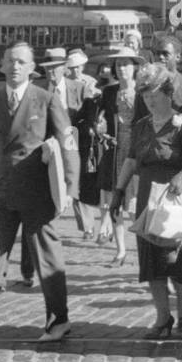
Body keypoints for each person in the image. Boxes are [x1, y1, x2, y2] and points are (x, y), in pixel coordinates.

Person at [0, 42, 79, 351]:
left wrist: (70, 189)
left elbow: (67, 143)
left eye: (21, 62)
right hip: (0, 190)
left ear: (32, 69)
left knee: (47, 258)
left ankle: (58, 320)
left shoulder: (46, 100)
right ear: (3, 66)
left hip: (37, 189)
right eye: (10, 62)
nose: (15, 67)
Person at [108, 64, 182, 339]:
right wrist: (118, 191)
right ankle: (163, 318)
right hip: (147, 199)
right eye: (145, 96)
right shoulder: (140, 127)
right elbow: (130, 160)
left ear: (167, 93)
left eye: (154, 95)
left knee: (174, 261)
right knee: (151, 261)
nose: (150, 101)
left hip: (174, 201)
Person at [97, 47, 145, 266]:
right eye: (118, 65)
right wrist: (100, 129)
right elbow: (99, 119)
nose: (122, 68)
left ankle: (144, 251)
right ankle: (120, 251)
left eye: (126, 64)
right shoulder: (109, 92)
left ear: (134, 67)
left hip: (137, 150)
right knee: (114, 202)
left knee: (135, 205)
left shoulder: (143, 92)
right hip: (115, 151)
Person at [65, 49, 104, 239]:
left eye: (78, 67)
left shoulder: (92, 85)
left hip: (89, 140)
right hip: (70, 136)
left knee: (91, 179)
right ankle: (87, 227)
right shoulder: (61, 84)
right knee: (74, 181)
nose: (75, 71)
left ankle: (104, 223)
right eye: (71, 68)